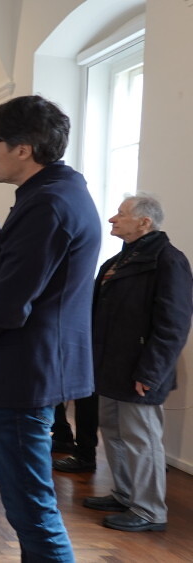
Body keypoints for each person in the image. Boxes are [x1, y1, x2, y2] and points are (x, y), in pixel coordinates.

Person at [0, 95, 101, 561]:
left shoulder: (48, 203)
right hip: (31, 367)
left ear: (24, 149)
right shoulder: (58, 195)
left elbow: (9, 303)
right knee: (28, 508)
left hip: (24, 371)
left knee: (32, 510)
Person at [83, 193, 192, 533]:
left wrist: (151, 372)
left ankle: (149, 510)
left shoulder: (168, 261)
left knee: (141, 438)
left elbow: (173, 324)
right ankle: (125, 494)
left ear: (145, 222)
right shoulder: (121, 260)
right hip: (112, 367)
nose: (112, 219)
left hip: (140, 372)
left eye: (121, 214)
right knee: (114, 432)